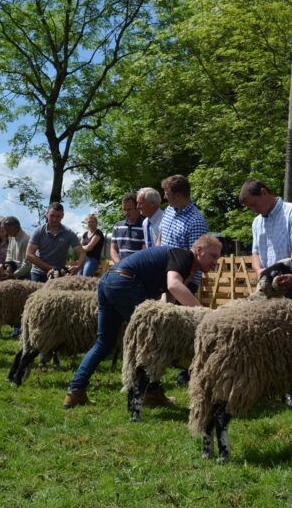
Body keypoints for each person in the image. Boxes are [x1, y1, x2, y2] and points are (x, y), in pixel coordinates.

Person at [63, 235, 223, 409]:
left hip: (109, 281)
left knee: (105, 342)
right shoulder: (183, 256)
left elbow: (167, 300)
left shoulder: (181, 263)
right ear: (199, 251)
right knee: (149, 343)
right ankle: (149, 393)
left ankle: (75, 391)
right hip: (125, 283)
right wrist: (204, 314)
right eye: (213, 256)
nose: (215, 262)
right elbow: (174, 286)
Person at [240, 179, 292, 405]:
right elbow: (254, 253)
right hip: (268, 287)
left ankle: (291, 390)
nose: (253, 210)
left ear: (264, 192)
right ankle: (269, 387)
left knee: (290, 339)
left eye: (254, 204)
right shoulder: (256, 222)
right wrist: (261, 271)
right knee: (266, 339)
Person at [158, 174, 208, 385]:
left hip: (183, 281)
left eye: (167, 194)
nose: (164, 197)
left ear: (178, 195)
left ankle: (189, 370)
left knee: (185, 328)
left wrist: (180, 286)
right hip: (166, 277)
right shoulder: (169, 211)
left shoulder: (195, 220)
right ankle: (171, 365)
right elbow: (161, 237)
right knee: (167, 325)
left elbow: (195, 257)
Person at [26, 202, 86, 282]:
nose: (54, 219)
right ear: (47, 214)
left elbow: (82, 253)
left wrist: (77, 268)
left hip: (58, 276)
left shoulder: (69, 233)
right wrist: (50, 268)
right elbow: (29, 254)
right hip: (38, 274)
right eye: (52, 215)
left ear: (63, 216)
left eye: (58, 216)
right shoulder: (39, 231)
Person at [110, 193, 145, 263]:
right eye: (124, 209)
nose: (126, 212)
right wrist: (119, 264)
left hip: (137, 267)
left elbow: (144, 252)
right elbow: (113, 249)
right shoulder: (117, 226)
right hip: (120, 267)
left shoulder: (145, 226)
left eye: (129, 209)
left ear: (137, 208)